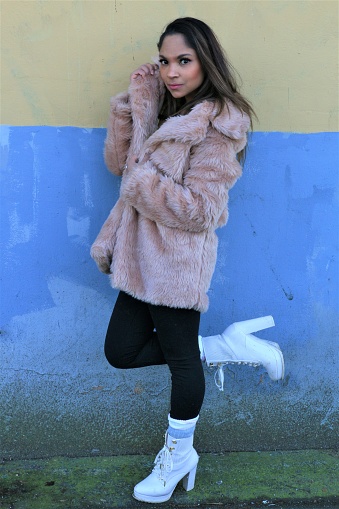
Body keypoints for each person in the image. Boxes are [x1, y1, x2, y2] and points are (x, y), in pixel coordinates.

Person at [91, 17, 255, 504]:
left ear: (207, 60)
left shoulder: (220, 124)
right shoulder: (165, 110)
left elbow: (202, 209)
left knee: (183, 364)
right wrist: (134, 109)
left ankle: (178, 455)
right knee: (120, 351)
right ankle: (220, 349)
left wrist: (141, 183)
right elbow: (121, 167)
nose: (172, 71)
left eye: (184, 60)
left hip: (177, 260)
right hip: (138, 255)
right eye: (165, 61)